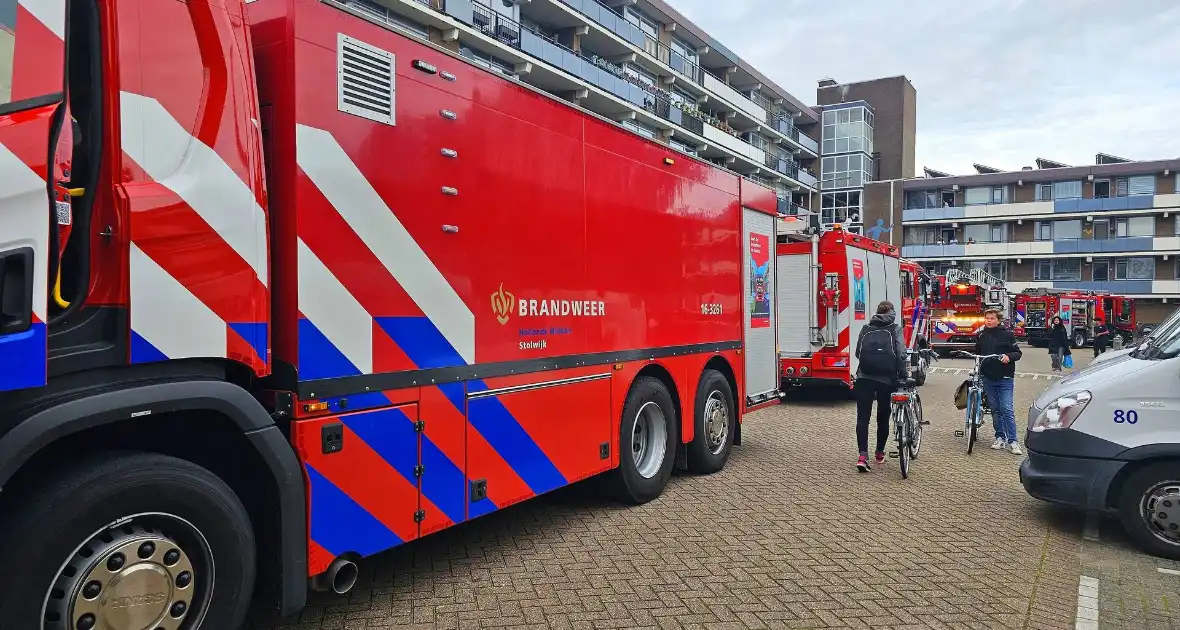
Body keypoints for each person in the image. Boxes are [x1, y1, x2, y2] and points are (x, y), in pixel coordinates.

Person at [852, 300, 908, 472]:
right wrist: (903, 374)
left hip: (864, 377)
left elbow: (857, 353)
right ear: (892, 313)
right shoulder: (895, 328)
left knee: (863, 417)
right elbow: (901, 354)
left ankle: (862, 456)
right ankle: (879, 453)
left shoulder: (866, 328)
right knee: (882, 417)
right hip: (886, 379)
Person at [975, 308, 1023, 454]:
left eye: (991, 318)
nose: (988, 321)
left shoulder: (1007, 335)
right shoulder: (981, 335)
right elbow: (978, 353)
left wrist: (1009, 357)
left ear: (998, 320)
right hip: (988, 377)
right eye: (987, 318)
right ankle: (1000, 438)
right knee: (995, 409)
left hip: (1005, 377)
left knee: (1007, 409)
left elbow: (1018, 353)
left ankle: (1013, 441)